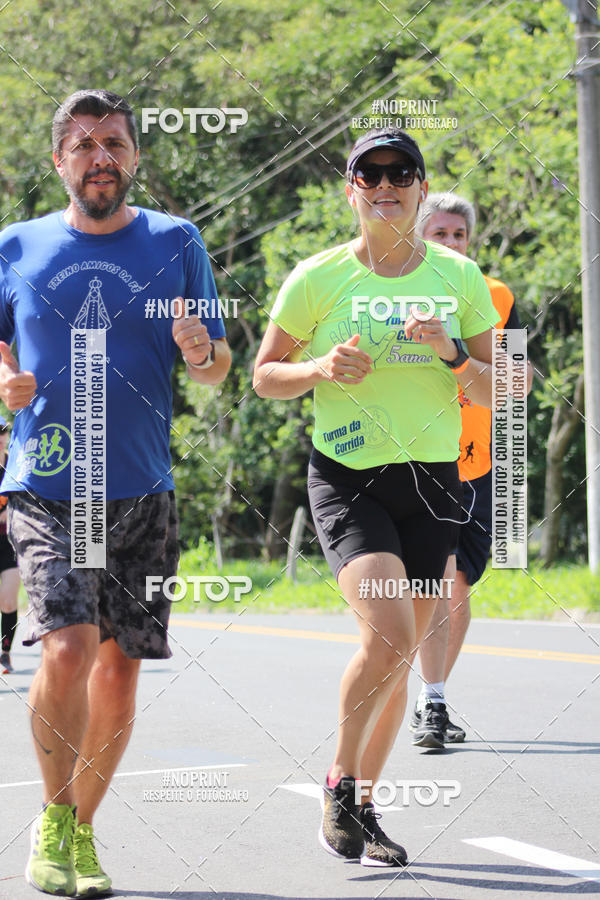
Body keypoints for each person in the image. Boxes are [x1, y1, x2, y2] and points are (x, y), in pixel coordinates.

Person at [0, 89, 231, 897]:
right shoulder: (14, 247)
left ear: (134, 156)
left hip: (140, 485)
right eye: (85, 143)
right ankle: (54, 821)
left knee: (122, 668)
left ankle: (82, 833)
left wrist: (203, 351)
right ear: (59, 160)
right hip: (51, 480)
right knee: (66, 645)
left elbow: (216, 365)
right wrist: (4, 380)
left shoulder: (177, 241)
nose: (102, 156)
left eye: (116, 143)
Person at [253, 129, 499, 866]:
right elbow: (265, 376)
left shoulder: (462, 278)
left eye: (402, 173)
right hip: (348, 477)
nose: (386, 185)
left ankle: (359, 802)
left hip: (433, 481)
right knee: (391, 633)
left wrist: (452, 355)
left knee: (394, 655)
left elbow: (506, 387)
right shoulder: (316, 278)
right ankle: (340, 781)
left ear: (423, 190)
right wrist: (322, 366)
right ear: (351, 189)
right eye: (372, 174)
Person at [410, 192, 534, 748]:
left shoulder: (495, 297)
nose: (451, 244)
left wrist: (474, 357)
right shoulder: (394, 296)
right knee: (443, 584)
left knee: (458, 590)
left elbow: (517, 376)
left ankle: (426, 695)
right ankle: (428, 701)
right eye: (439, 234)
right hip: (417, 462)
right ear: (417, 235)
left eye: (458, 235)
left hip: (477, 466)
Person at [0, 416, 20, 674]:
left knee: (7, 601)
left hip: (11, 541)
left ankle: (5, 653)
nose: (0, 436)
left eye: (3, 431)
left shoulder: (16, 463)